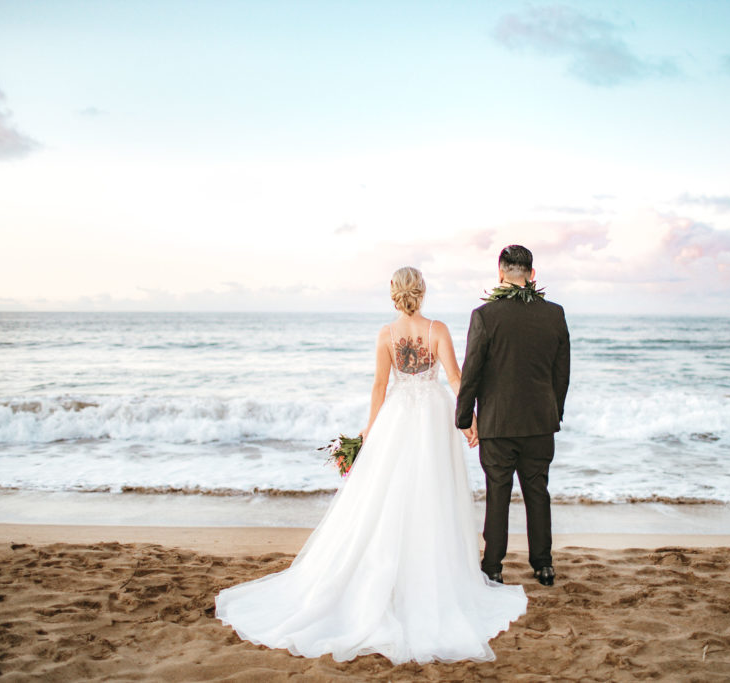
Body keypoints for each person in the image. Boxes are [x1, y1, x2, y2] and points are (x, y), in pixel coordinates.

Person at [215, 266, 527, 665]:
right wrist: (470, 422)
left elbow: (380, 387)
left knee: (389, 494)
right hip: (431, 416)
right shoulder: (438, 330)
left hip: (397, 417)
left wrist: (367, 433)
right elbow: (454, 377)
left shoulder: (386, 335)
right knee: (432, 493)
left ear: (394, 294)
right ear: (423, 292)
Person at [455, 245, 570, 587]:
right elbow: (561, 374)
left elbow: (472, 371)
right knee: (538, 492)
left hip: (498, 423)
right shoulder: (555, 314)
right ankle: (543, 565)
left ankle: (493, 566)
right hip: (539, 422)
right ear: (532, 275)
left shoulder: (486, 316)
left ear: (501, 274)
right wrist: (554, 411)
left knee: (498, 492)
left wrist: (464, 417)